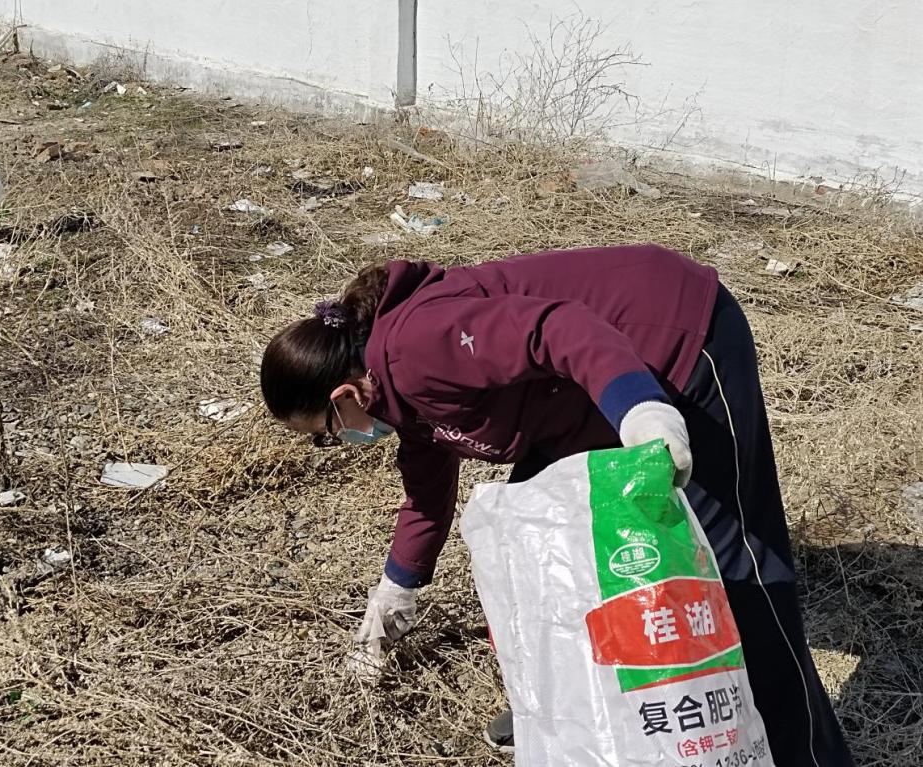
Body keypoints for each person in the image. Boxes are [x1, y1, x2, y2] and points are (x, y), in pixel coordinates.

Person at [259, 244, 854, 766]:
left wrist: (640, 409)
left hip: (671, 343)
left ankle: (806, 752)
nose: (337, 443)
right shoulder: (395, 397)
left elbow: (557, 329)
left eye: (326, 433)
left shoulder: (419, 348)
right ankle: (562, 706)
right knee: (535, 554)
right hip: (576, 398)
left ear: (343, 395)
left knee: (736, 565)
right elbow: (427, 495)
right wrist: (397, 587)